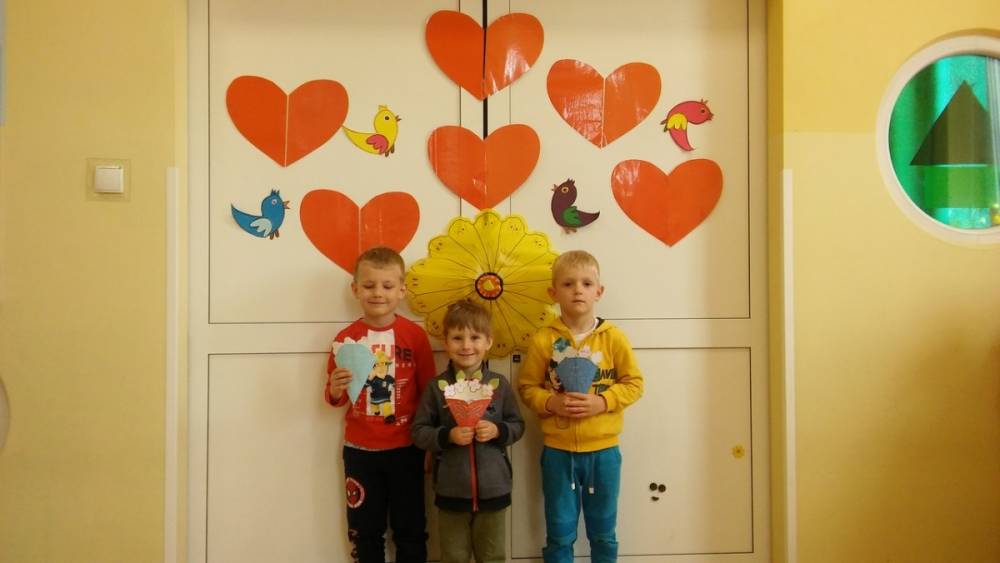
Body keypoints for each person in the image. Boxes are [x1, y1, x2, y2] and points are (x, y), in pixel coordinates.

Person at [517, 250, 644, 563]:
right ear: (553, 293)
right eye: (568, 283)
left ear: (599, 292)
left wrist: (602, 402)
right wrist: (551, 402)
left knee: (603, 533)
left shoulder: (613, 338)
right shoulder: (544, 340)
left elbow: (634, 384)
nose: (578, 290)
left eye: (587, 284)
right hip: (558, 454)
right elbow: (527, 388)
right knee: (559, 534)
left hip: (605, 454)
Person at [325, 246, 436, 563]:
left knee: (411, 529)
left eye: (387, 286)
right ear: (355, 289)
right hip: (360, 452)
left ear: (402, 290)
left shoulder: (414, 336)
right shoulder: (345, 339)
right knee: (364, 531)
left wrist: (430, 445)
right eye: (369, 285)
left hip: (407, 450)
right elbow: (334, 397)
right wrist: (334, 389)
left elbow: (429, 393)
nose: (378, 293)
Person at [412, 300, 524, 563]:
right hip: (451, 491)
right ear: (445, 342)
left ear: (488, 342)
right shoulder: (437, 387)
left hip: (494, 489)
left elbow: (518, 425)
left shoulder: (500, 385)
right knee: (453, 557)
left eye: (475, 337)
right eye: (457, 338)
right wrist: (446, 436)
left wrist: (498, 430)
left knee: (493, 557)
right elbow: (419, 431)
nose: (466, 345)